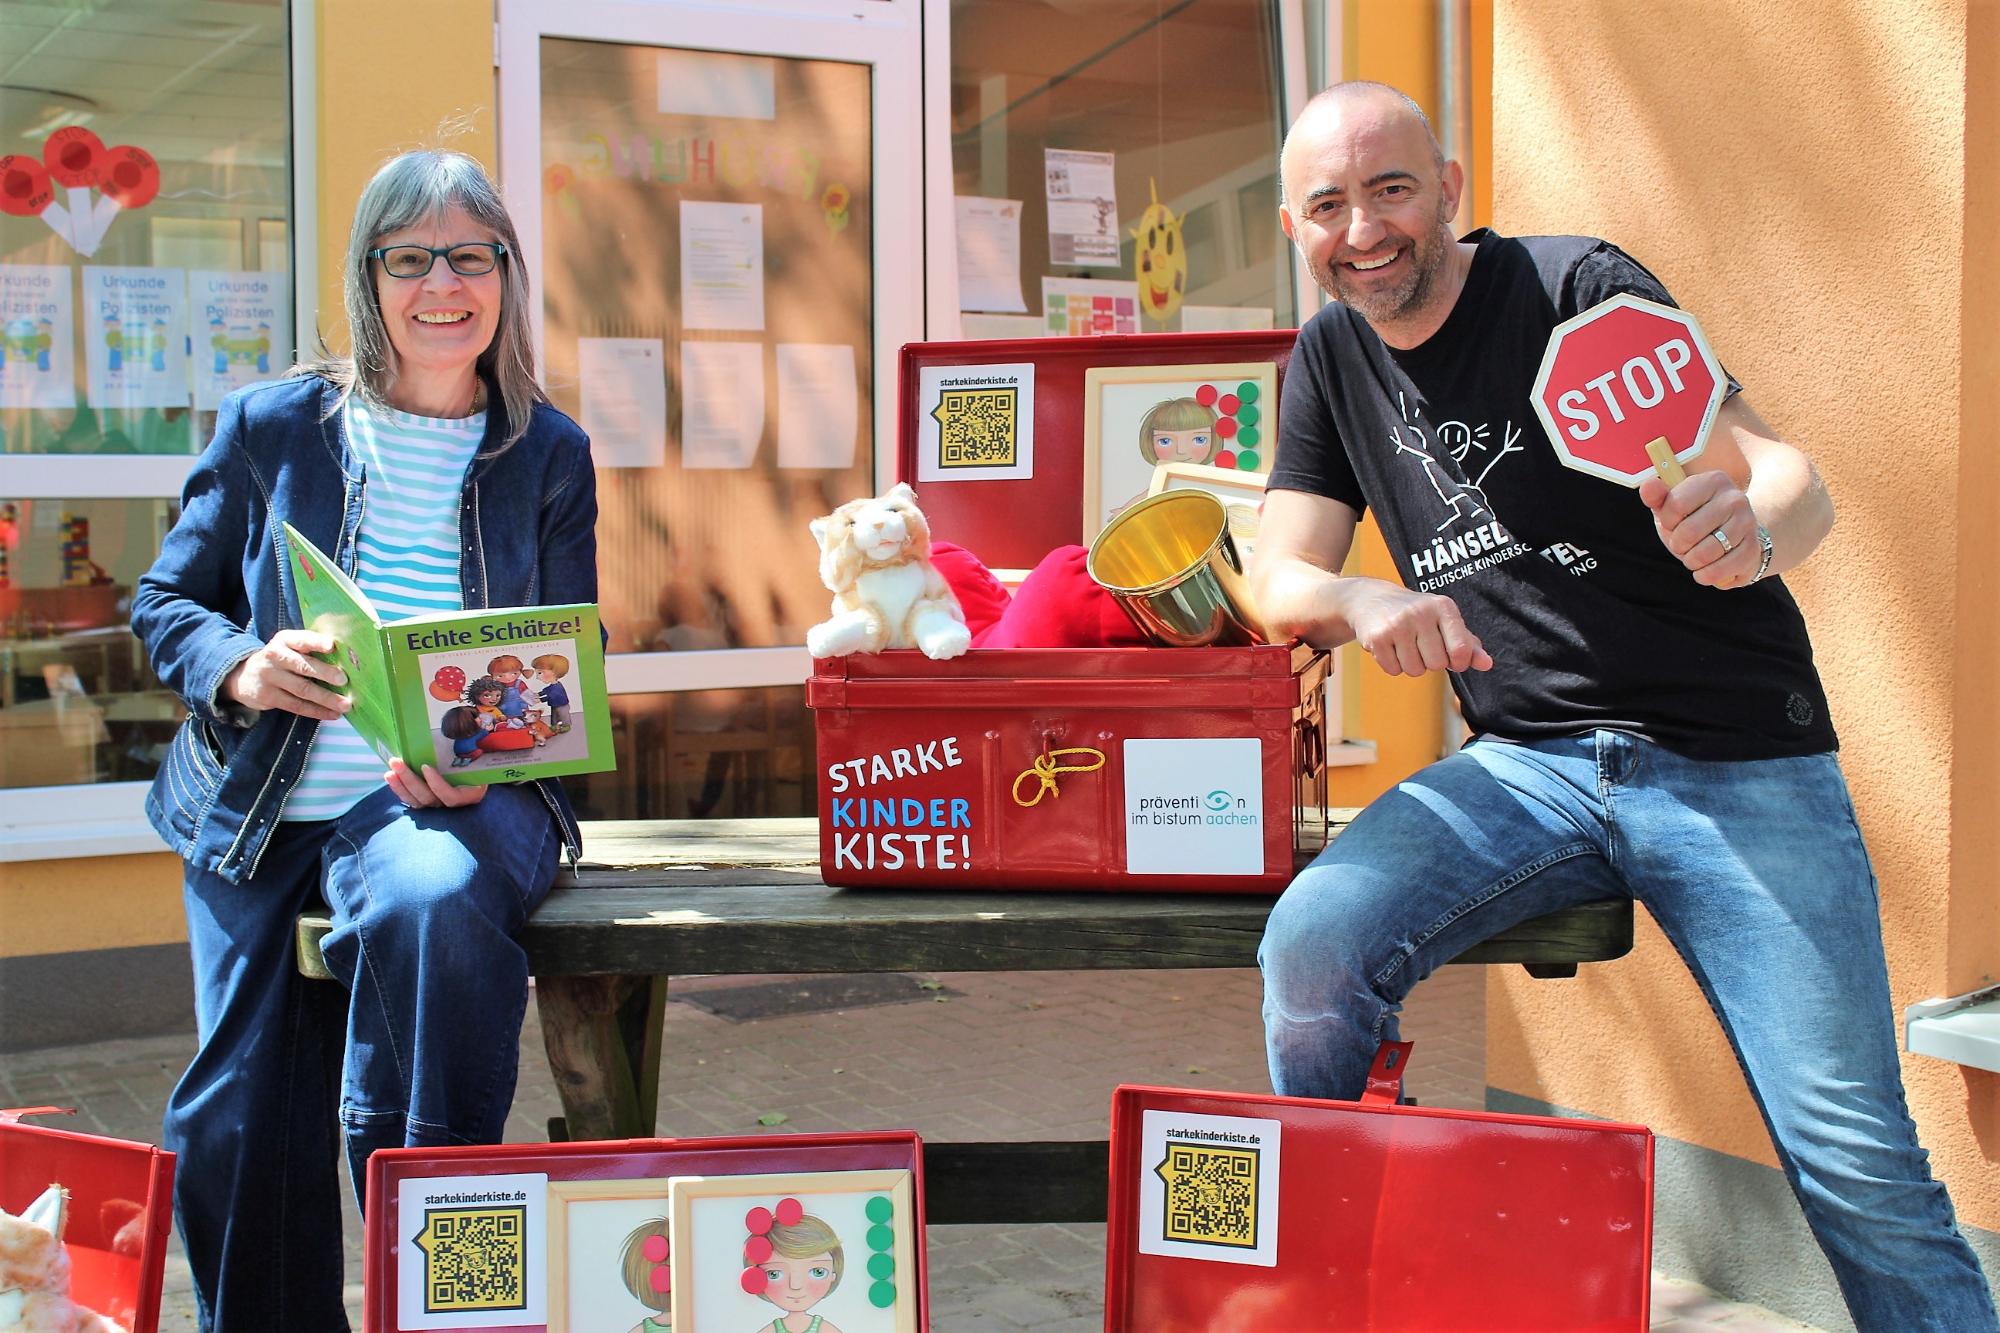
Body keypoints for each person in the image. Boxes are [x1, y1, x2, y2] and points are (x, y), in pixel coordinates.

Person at [1252, 82, 1997, 1331]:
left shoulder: (1574, 289)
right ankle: (1352, 1278)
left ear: (1448, 184)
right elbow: (1275, 579)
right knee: (1311, 950)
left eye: (1389, 189)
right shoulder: (1329, 359)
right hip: (1522, 770)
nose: (1364, 228)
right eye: (1329, 204)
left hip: (1736, 759)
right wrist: (1356, 598)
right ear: (1294, 229)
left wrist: (1750, 533)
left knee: (1851, 1160)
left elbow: (1783, 476)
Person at [130, 149, 596, 1330]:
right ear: (368, 277)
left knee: (431, 904)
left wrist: (489, 756)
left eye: (470, 255)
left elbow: (565, 667)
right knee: (233, 1118)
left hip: (443, 802)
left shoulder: (548, 453)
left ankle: (437, 1280)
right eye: (410, 257)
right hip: (259, 804)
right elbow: (164, 602)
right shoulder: (275, 425)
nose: (443, 283)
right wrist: (240, 663)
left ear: (506, 276)